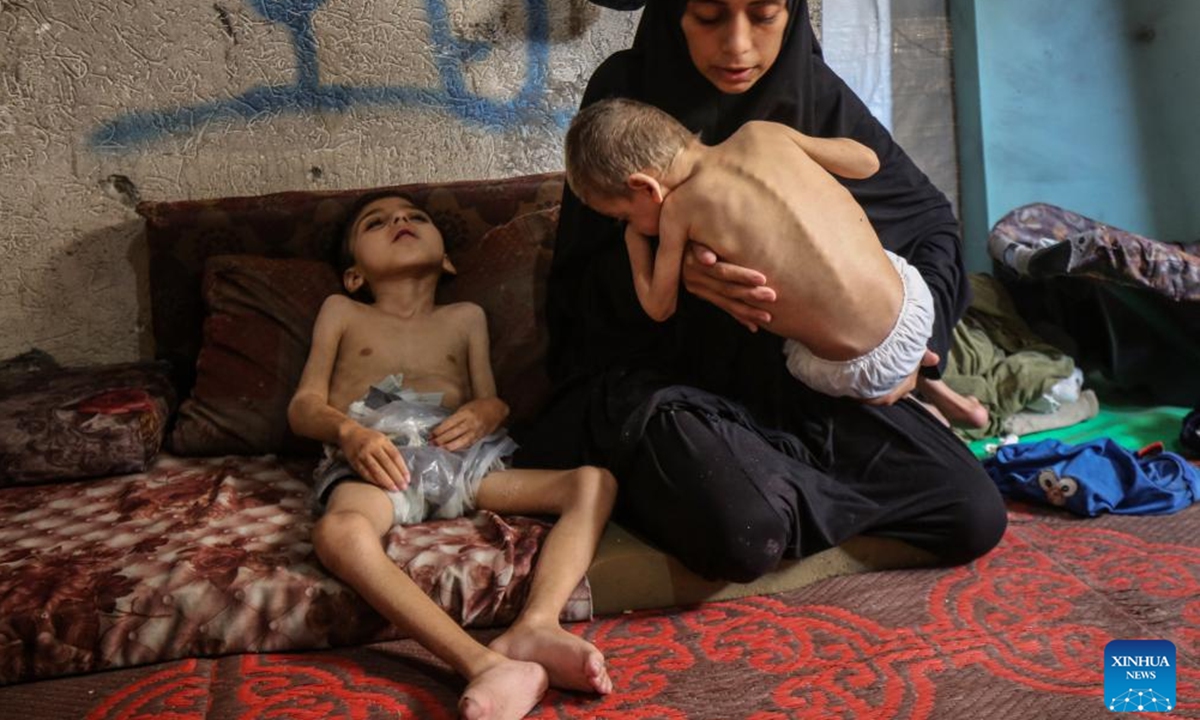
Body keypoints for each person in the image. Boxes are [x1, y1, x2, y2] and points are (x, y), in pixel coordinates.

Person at [514, 0, 1007, 582]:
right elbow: (578, 289)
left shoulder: (810, 96)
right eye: (708, 17)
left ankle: (775, 486)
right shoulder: (626, 96)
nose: (739, 46)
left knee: (970, 511)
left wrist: (917, 351)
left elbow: (928, 223)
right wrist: (687, 282)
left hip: (795, 380)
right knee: (743, 532)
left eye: (765, 15)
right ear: (675, 16)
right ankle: (776, 493)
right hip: (673, 378)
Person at [288, 192, 616, 720]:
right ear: (354, 275)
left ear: (446, 260)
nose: (399, 220)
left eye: (414, 216)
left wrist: (490, 409)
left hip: (462, 461)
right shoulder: (343, 311)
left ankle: (537, 627)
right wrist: (350, 434)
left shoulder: (465, 317)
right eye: (377, 222)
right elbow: (303, 406)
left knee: (593, 482)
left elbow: (489, 399)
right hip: (380, 463)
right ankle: (481, 662)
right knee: (338, 532)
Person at [563, 97, 988, 427]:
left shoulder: (679, 210)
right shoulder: (761, 133)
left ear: (645, 188)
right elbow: (868, 163)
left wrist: (635, 241)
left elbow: (659, 306)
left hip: (860, 370)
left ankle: (917, 409)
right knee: (864, 264)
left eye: (623, 215)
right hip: (915, 303)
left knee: (791, 353)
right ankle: (938, 389)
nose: (629, 224)